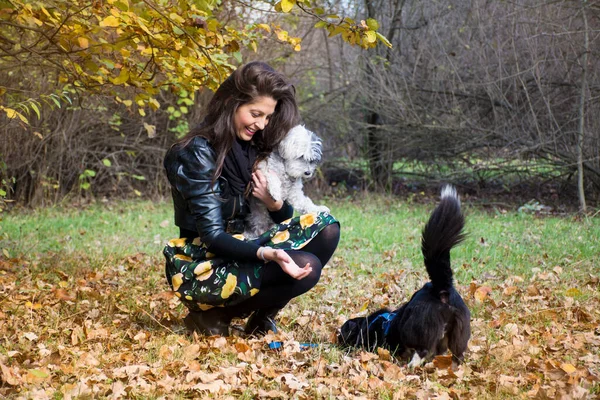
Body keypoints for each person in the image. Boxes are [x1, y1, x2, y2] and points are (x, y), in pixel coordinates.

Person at [163, 61, 340, 336]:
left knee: (328, 228)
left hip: (246, 243)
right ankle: (214, 316)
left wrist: (275, 205)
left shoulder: (253, 147)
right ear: (231, 104)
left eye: (267, 117)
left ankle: (261, 318)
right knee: (309, 266)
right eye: (255, 113)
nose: (261, 124)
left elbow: (280, 218)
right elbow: (212, 236)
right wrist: (267, 252)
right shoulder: (195, 153)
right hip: (204, 261)